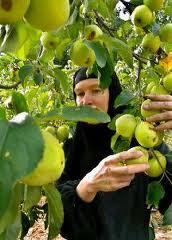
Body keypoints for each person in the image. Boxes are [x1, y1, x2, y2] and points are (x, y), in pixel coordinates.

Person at [56, 67, 172, 240]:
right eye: (79, 94)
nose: (85, 100)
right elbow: (62, 223)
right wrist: (86, 187)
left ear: (113, 94)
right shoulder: (68, 150)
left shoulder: (144, 148)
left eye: (96, 90)